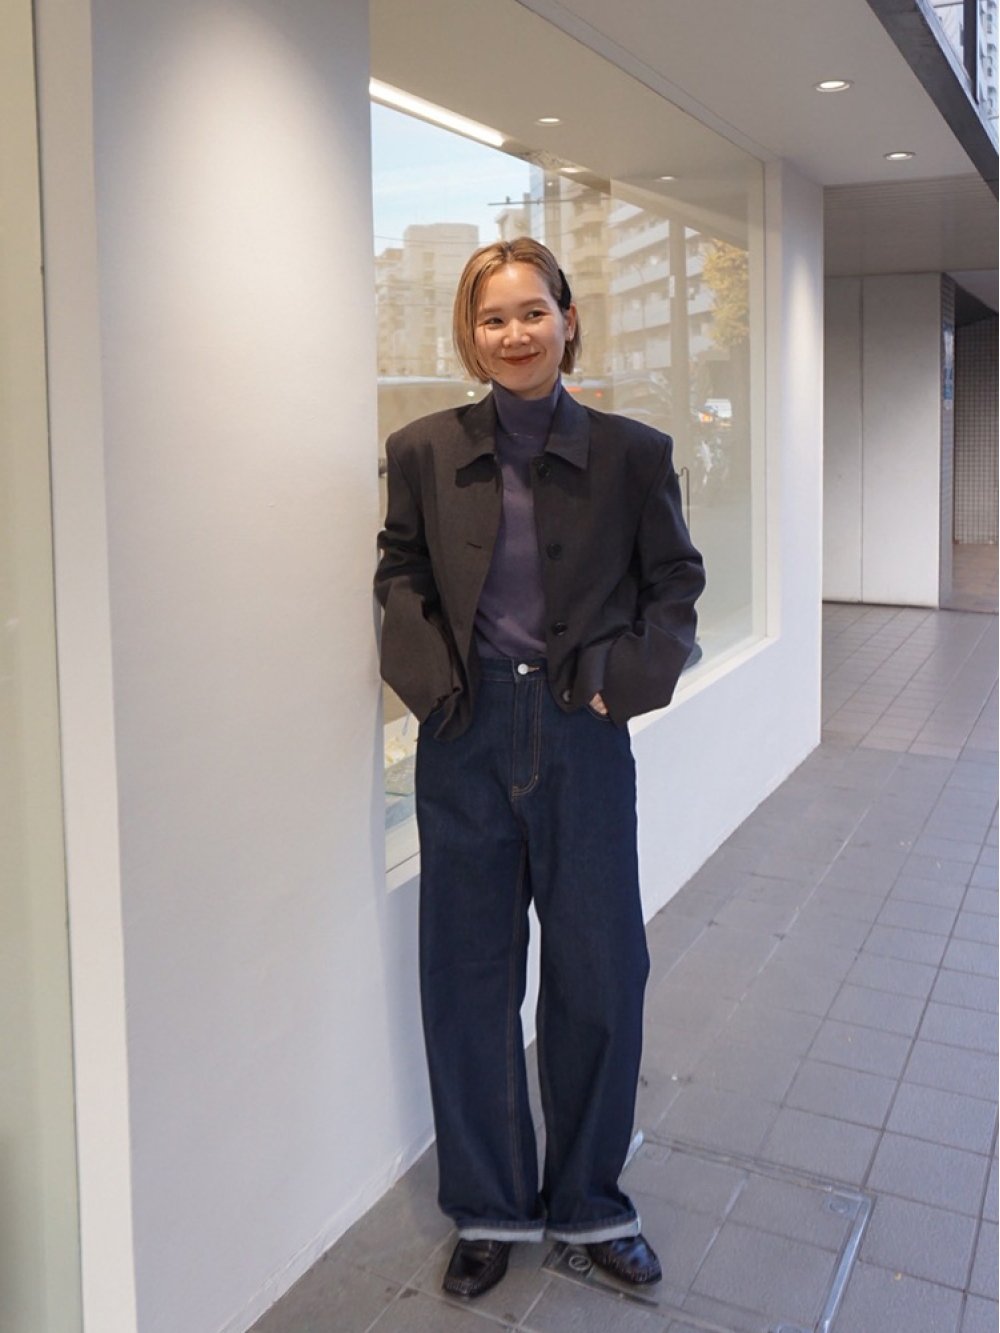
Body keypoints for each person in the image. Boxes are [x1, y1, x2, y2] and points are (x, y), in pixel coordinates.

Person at [374, 237, 705, 1300]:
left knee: (599, 971)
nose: (514, 333)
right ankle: (489, 1207)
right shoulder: (422, 449)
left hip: (579, 734)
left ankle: (593, 1201)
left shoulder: (634, 453)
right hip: (465, 736)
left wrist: (622, 682)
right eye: (492, 317)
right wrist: (435, 690)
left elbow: (676, 582)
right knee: (468, 976)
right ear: (470, 336)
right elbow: (400, 572)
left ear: (568, 320)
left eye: (532, 312)